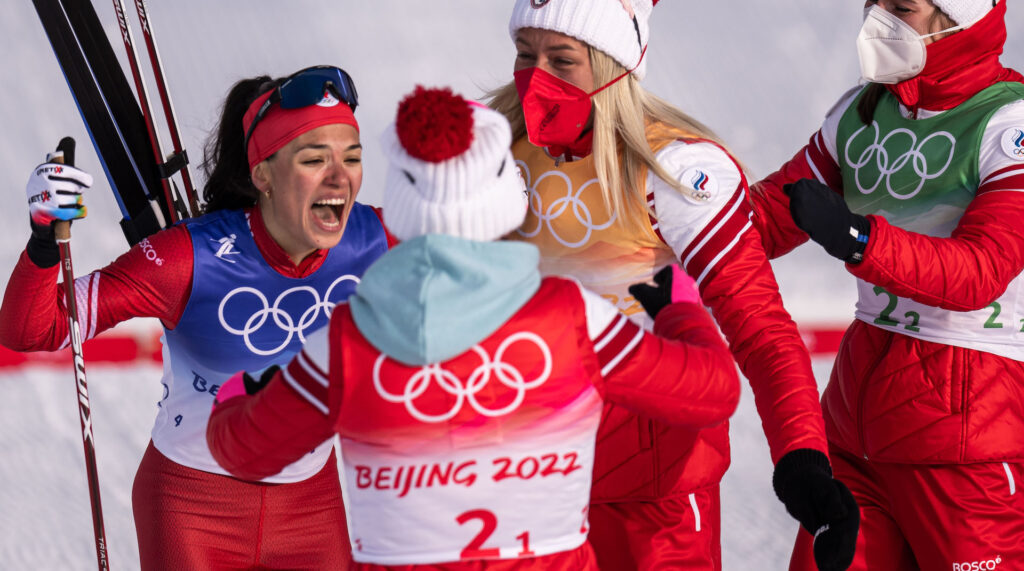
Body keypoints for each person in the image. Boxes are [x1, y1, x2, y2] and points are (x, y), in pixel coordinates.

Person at [205, 86, 741, 569]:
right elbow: (713, 392)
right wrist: (679, 308)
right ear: (503, 195)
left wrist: (237, 390)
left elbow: (243, 453)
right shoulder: (571, 317)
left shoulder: (348, 339)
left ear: (406, 202)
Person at [487, 0, 861, 570]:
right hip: (531, 474)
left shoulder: (674, 170)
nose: (536, 76)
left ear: (612, 66)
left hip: (655, 493)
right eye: (526, 54)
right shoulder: (492, 149)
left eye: (562, 60)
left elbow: (761, 327)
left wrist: (802, 459)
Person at [0, 65, 396, 570]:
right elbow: (32, 329)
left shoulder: (374, 239)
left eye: (352, 158)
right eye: (315, 159)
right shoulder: (189, 258)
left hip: (311, 508)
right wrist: (43, 241)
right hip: (192, 509)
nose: (340, 177)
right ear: (264, 175)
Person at [749, 0, 1024, 568]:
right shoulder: (863, 113)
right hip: (856, 424)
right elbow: (765, 219)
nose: (877, 20)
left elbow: (982, 269)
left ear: (958, 18)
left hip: (965, 433)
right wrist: (654, 217)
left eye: (900, 7)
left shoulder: (1008, 124)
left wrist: (859, 239)